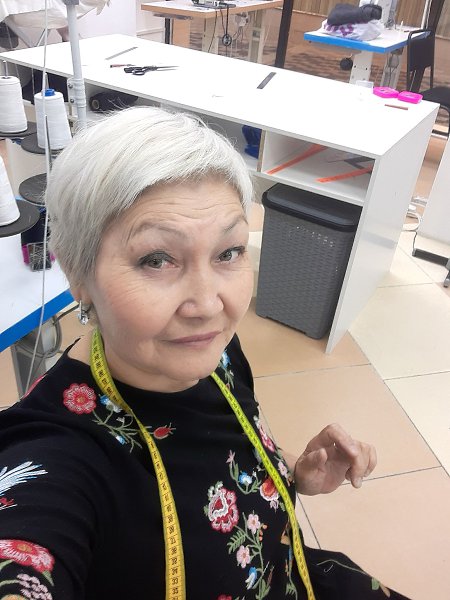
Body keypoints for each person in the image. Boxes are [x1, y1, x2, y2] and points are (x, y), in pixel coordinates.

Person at [0, 106, 410, 600]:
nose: (210, 305)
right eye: (157, 259)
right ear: (77, 275)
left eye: (228, 252)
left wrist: (291, 472)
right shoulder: (57, 453)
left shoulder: (218, 352)